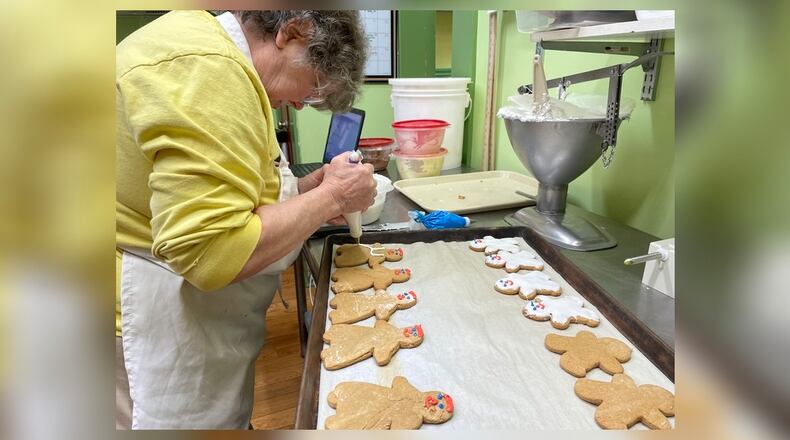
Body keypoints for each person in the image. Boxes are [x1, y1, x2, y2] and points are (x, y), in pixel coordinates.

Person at [115, 10, 374, 429]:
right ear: (292, 34)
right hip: (146, 317)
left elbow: (231, 193)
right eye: (312, 90)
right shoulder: (207, 67)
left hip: (189, 310)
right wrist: (334, 196)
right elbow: (211, 251)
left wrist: (309, 189)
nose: (299, 105)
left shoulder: (217, 57)